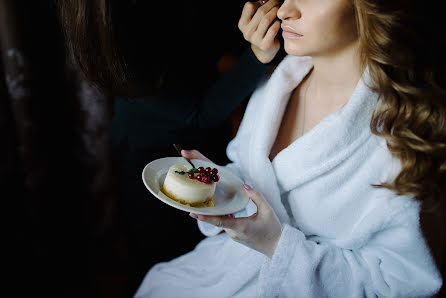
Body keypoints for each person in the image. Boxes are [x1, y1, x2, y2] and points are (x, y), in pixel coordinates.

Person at [134, 0, 446, 297]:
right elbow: (248, 172)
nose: (285, 10)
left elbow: (394, 285)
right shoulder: (279, 82)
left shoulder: (404, 137)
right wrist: (219, 185)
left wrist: (277, 244)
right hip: (224, 267)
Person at [55, 0, 285, 296]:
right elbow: (199, 111)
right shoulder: (110, 25)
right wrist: (257, 55)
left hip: (210, 136)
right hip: (149, 153)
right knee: (166, 259)